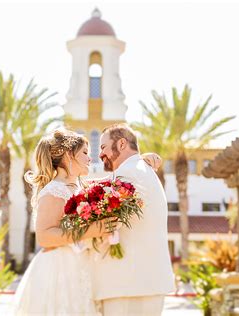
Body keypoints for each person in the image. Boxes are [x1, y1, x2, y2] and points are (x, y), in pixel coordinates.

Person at [13, 129, 163, 315]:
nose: (90, 158)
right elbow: (44, 237)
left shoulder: (79, 187)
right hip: (59, 270)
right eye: (84, 153)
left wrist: (140, 160)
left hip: (80, 267)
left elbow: (114, 180)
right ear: (68, 155)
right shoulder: (54, 190)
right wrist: (93, 230)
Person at [92, 123, 176, 316]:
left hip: (126, 284)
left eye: (103, 147)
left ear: (121, 144)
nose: (100, 154)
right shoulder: (143, 170)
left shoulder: (127, 173)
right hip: (147, 282)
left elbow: (109, 224)